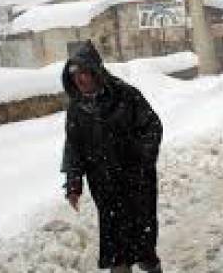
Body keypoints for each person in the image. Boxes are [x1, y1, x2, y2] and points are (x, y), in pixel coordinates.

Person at [61, 40, 163, 273]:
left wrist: (139, 157)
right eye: (74, 74)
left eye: (84, 72)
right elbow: (73, 146)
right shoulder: (77, 109)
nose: (80, 79)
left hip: (137, 185)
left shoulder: (126, 96)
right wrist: (74, 182)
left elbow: (153, 127)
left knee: (144, 247)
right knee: (116, 251)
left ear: (96, 71)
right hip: (105, 189)